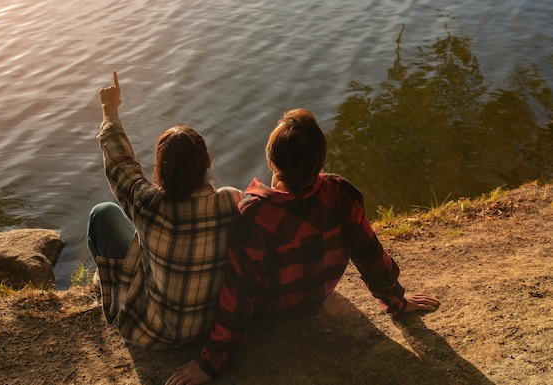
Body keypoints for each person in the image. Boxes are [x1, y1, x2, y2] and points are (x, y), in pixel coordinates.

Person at [166, 108, 440, 384]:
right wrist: (397, 301)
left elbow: (238, 293)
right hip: (317, 296)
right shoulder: (342, 194)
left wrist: (210, 363)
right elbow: (371, 256)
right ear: (320, 159)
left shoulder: (256, 215)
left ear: (272, 161)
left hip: (271, 311)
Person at [87, 70, 244, 349]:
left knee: (103, 214)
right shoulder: (232, 202)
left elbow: (119, 162)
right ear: (207, 161)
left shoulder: (146, 204)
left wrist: (109, 109)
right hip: (209, 326)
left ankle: (105, 285)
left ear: (159, 169)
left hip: (154, 331)